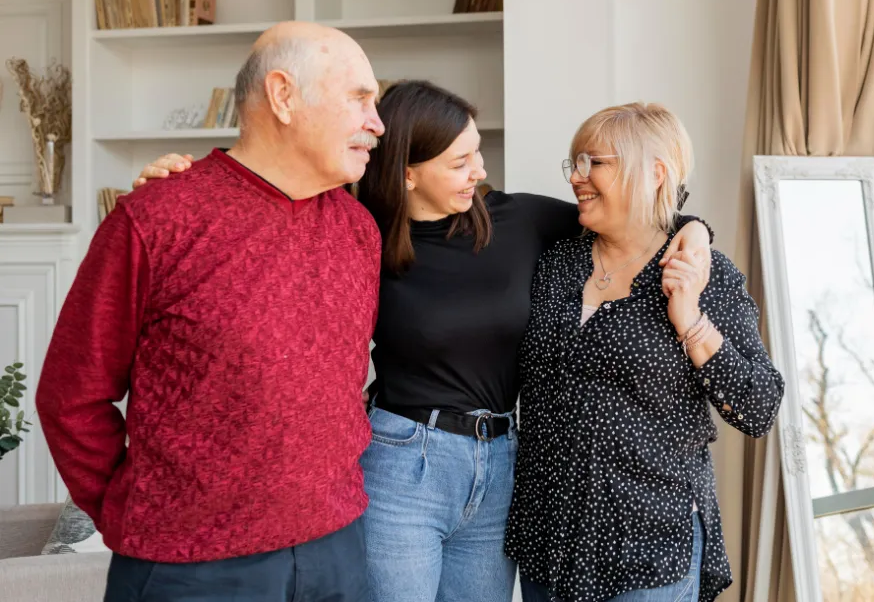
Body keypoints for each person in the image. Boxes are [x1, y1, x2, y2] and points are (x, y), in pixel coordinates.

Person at [134, 81, 714, 602]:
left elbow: (640, 217)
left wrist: (697, 234)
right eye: (460, 162)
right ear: (408, 171)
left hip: (502, 466)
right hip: (402, 464)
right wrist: (175, 189)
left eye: (478, 154)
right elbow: (251, 226)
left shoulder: (518, 222)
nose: (480, 172)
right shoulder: (353, 233)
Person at [35, 22, 385, 602]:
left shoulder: (357, 229)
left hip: (339, 551)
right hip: (190, 568)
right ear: (283, 96)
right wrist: (133, 511)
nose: (377, 121)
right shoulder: (157, 219)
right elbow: (71, 395)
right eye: (359, 98)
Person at [505, 102, 785, 602]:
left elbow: (759, 406)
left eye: (595, 163)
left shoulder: (705, 274)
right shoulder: (554, 261)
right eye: (574, 164)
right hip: (550, 539)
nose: (577, 178)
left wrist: (691, 321)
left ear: (656, 172)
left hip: (649, 545)